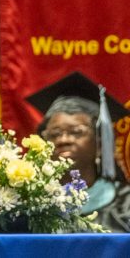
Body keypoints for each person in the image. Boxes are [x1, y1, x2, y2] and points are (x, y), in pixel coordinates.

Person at [27, 71, 130, 231]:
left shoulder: (125, 206)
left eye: (76, 131)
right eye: (55, 134)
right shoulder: (30, 208)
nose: (63, 139)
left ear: (100, 144)